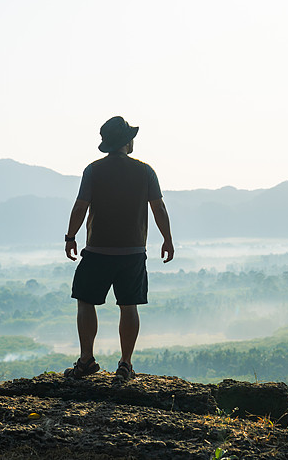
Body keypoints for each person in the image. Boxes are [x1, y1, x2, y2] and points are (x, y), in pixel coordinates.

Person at [63, 116, 174, 381]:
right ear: (126, 140)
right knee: (129, 305)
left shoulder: (93, 170)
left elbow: (81, 206)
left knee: (86, 300)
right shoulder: (145, 171)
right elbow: (158, 207)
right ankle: (125, 364)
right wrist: (167, 239)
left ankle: (86, 359)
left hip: (98, 249)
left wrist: (70, 237)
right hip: (133, 252)